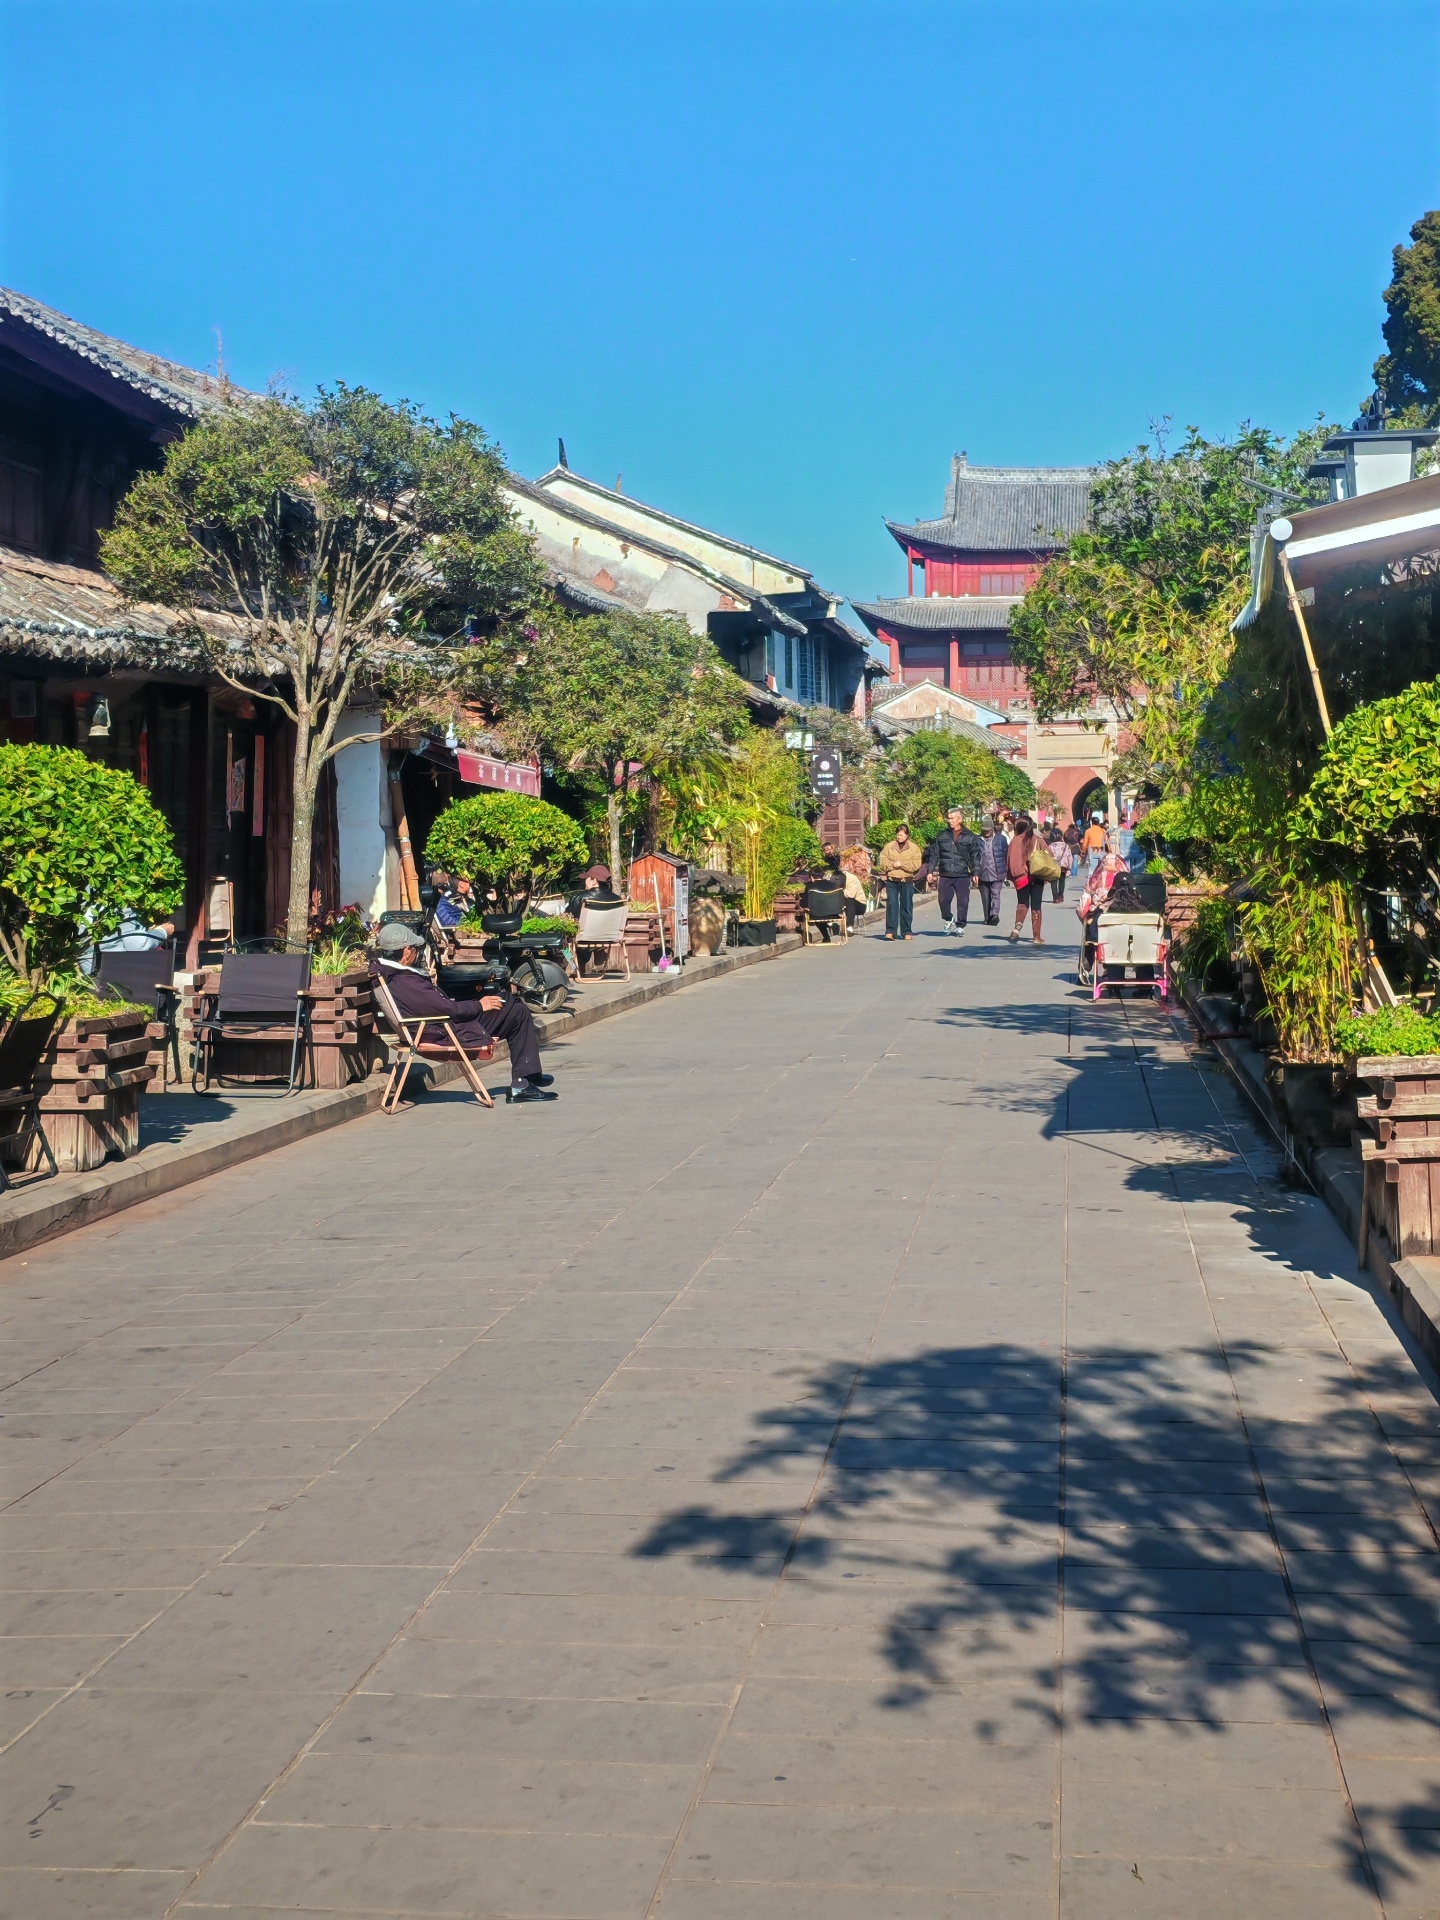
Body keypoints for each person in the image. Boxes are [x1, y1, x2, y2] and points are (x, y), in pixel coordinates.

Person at [372, 921, 556, 1104]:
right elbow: (447, 1009)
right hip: (446, 1032)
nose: (415, 952)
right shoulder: (405, 981)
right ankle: (524, 1081)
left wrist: (477, 1004)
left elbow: (439, 1006)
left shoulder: (391, 975)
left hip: (438, 1027)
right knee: (516, 1011)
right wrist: (479, 1005)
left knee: (508, 1002)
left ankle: (527, 1076)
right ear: (406, 951)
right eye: (414, 948)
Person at [921, 808, 983, 934]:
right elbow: (934, 854)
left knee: (963, 901)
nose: (949, 821)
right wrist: (930, 871)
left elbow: (975, 856)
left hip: (962, 874)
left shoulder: (970, 836)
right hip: (946, 873)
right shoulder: (942, 835)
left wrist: (976, 872)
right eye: (948, 818)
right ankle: (949, 918)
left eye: (952, 818)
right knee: (943, 900)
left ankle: (960, 925)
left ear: (959, 819)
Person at [878, 823, 923, 940]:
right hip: (892, 880)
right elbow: (882, 861)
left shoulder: (914, 848)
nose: (899, 837)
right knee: (892, 905)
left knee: (906, 906)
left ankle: (906, 931)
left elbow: (916, 864)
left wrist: (902, 864)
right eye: (898, 835)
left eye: (901, 835)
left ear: (907, 835)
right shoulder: (889, 846)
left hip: (906, 880)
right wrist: (892, 865)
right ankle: (890, 931)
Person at [1006, 813, 1045, 945]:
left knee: (1022, 903)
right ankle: (1036, 936)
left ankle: (1017, 926)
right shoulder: (1037, 839)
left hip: (1021, 877)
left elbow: (1009, 860)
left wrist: (1012, 876)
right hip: (1037, 876)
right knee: (1036, 906)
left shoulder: (1014, 841)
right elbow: (1049, 855)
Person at [977, 819, 1006, 925]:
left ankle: (994, 915)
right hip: (982, 872)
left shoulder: (1001, 839)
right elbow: (974, 856)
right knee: (985, 897)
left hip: (997, 871)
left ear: (992, 828)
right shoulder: (977, 840)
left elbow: (1006, 854)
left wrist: (1006, 870)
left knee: (996, 893)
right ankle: (987, 917)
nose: (986, 832)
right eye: (984, 830)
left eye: (988, 830)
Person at [1081, 811, 1108, 877]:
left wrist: (1083, 851)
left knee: (1092, 869)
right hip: (1101, 851)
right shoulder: (1102, 830)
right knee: (1100, 867)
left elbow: (1085, 842)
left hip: (1092, 851)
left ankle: (1092, 879)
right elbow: (1107, 841)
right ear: (1098, 823)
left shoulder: (1088, 831)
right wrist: (1109, 850)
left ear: (1091, 822)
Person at [1051, 827, 1073, 903]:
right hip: (1063, 866)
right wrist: (1069, 867)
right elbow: (1070, 857)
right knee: (1062, 881)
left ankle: (1055, 897)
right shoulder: (1066, 846)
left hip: (1054, 866)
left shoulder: (1051, 846)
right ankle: (1061, 896)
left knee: (1053, 882)